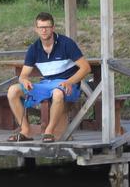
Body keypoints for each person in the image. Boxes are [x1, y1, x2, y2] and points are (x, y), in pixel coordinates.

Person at [6, 12, 91, 142]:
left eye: (47, 27)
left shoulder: (66, 43)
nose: (44, 30)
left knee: (57, 93)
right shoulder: (34, 48)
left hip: (68, 84)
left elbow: (86, 68)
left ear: (53, 28)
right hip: (46, 84)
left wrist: (69, 81)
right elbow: (23, 75)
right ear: (36, 29)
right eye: (41, 27)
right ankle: (25, 130)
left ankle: (49, 132)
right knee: (13, 91)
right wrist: (24, 80)